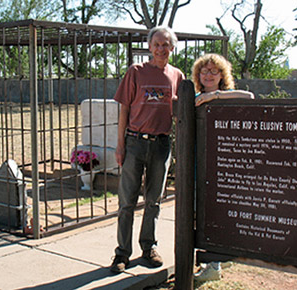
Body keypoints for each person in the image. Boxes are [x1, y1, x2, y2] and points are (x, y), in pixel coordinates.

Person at [110, 26, 184, 273]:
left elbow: (180, 114)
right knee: (127, 202)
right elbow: (123, 110)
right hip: (135, 142)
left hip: (161, 145)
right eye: (157, 44)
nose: (161, 49)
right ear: (150, 47)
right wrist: (120, 146)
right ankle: (122, 254)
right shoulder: (136, 72)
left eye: (166, 45)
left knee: (154, 200)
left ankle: (148, 247)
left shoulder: (177, 76)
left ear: (172, 48)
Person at [192, 53, 254, 282]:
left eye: (213, 71)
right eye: (204, 71)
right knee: (203, 213)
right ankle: (214, 261)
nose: (208, 75)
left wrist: (216, 96)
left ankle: (214, 264)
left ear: (222, 75)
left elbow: (249, 96)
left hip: (223, 165)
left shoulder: (227, 96)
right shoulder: (195, 97)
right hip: (199, 163)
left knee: (219, 213)